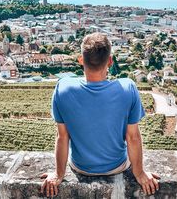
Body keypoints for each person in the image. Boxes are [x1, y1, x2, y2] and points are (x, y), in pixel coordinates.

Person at [41, 32, 160, 197]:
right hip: (117, 166)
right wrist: (139, 173)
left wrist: (58, 174)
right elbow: (133, 138)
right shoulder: (128, 88)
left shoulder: (63, 88)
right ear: (110, 62)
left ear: (81, 60)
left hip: (80, 167)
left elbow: (62, 137)